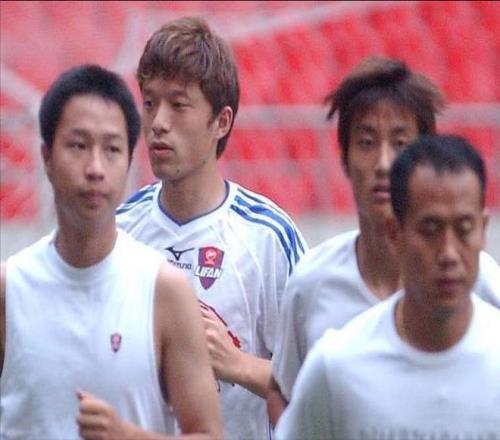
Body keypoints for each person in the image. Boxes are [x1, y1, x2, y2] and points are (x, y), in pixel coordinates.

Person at [267, 56, 500, 424]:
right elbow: (283, 391)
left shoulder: (482, 282)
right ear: (344, 158)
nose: (383, 163)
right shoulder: (311, 283)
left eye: (401, 142)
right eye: (367, 142)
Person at [0, 65, 222, 440]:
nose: (95, 168)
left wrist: (127, 436)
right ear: (47, 157)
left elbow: (209, 434)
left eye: (112, 149)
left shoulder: (163, 291)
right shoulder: (10, 289)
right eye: (78, 146)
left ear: (129, 162)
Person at [116, 16, 307, 440]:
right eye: (149, 103)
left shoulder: (268, 238)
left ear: (222, 121)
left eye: (178, 104)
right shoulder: (120, 232)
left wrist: (234, 363)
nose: (158, 122)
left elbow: (321, 380)